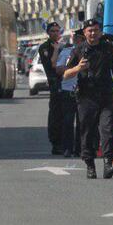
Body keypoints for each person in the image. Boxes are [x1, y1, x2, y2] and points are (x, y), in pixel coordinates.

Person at [64, 18, 113, 179]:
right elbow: (65, 74)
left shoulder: (108, 49)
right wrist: (78, 68)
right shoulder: (78, 50)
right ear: (84, 33)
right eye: (89, 31)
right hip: (86, 97)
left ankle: (108, 163)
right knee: (87, 131)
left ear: (99, 32)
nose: (93, 33)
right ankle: (90, 164)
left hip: (105, 95)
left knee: (108, 128)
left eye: (96, 30)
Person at [56, 25, 86, 157]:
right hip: (68, 90)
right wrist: (73, 68)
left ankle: (80, 149)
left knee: (83, 122)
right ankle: (67, 148)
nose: (78, 41)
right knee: (68, 121)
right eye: (77, 39)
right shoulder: (67, 52)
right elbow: (59, 69)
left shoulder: (88, 51)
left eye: (80, 39)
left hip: (84, 90)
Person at [37, 21, 65, 155]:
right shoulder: (45, 47)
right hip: (54, 83)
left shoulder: (64, 46)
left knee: (66, 114)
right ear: (48, 33)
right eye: (52, 31)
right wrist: (56, 49)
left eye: (57, 31)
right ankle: (56, 142)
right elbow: (52, 65)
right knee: (55, 114)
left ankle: (66, 141)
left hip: (66, 83)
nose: (55, 33)